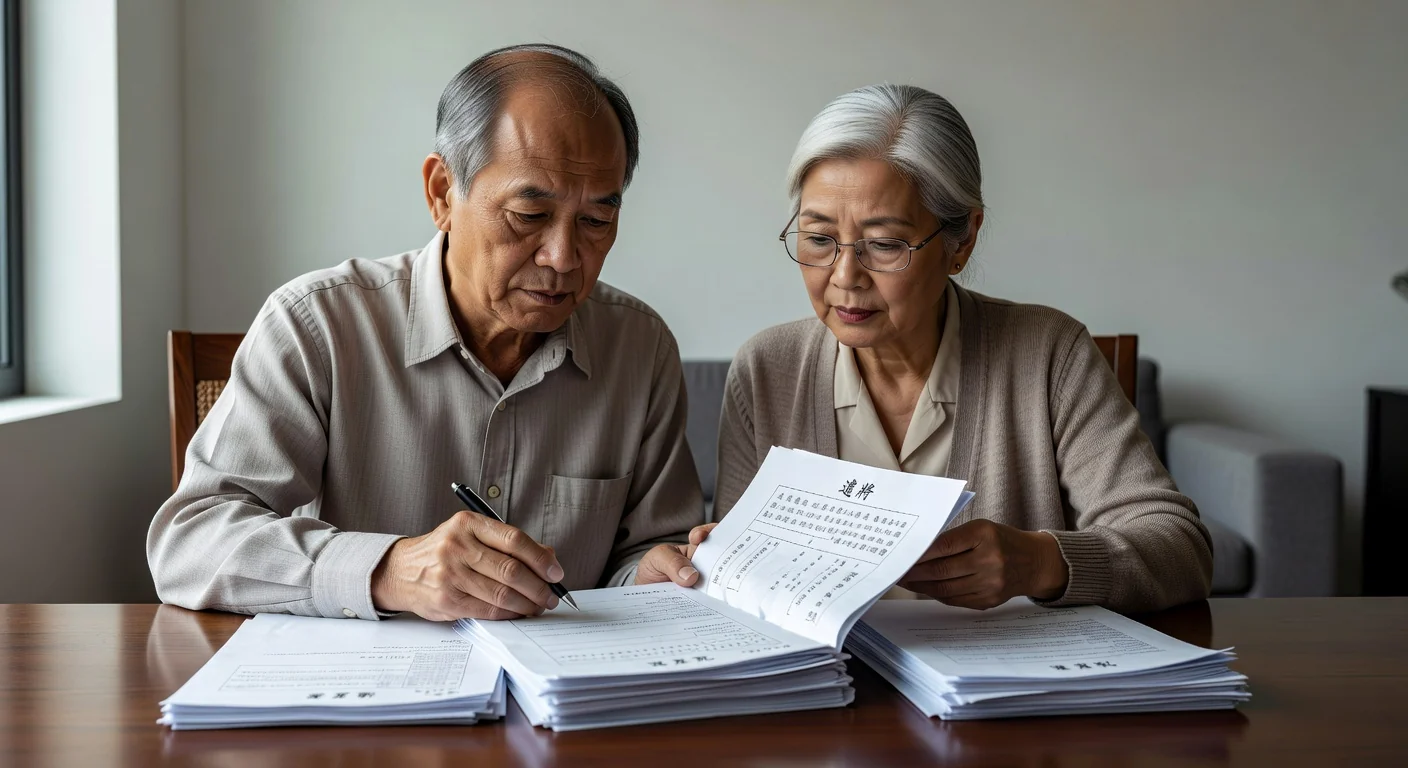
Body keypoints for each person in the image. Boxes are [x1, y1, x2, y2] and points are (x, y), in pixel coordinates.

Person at [148, 44, 705, 622]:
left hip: (564, 698)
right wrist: (388, 570)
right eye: (530, 215)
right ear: (442, 191)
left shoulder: (639, 348)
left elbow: (643, 552)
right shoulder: (318, 327)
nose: (564, 258)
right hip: (362, 698)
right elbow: (189, 542)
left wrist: (648, 574)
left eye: (596, 221)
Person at [640, 85, 1212, 613]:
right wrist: (720, 561)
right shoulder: (768, 369)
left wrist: (1040, 563)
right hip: (827, 697)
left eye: (885, 245)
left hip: (1005, 702)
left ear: (962, 242)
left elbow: (1178, 545)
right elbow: (743, 582)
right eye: (818, 239)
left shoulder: (1048, 354)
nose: (844, 276)